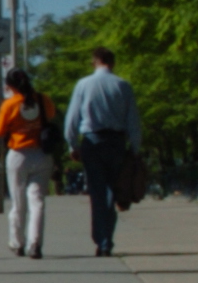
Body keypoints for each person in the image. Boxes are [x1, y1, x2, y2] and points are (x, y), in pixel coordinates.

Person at [61, 46, 142, 256]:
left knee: (97, 191)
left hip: (92, 141)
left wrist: (73, 145)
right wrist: (135, 147)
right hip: (116, 141)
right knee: (111, 189)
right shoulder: (123, 85)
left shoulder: (83, 84)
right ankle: (106, 239)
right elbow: (133, 120)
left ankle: (102, 240)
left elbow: (72, 118)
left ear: (95, 62)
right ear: (112, 63)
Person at [0, 66, 56, 258]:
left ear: (10, 86)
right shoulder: (43, 99)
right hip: (42, 154)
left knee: (18, 202)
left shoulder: (9, 105)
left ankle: (17, 242)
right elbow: (51, 115)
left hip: (18, 156)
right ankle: (35, 244)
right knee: (37, 201)